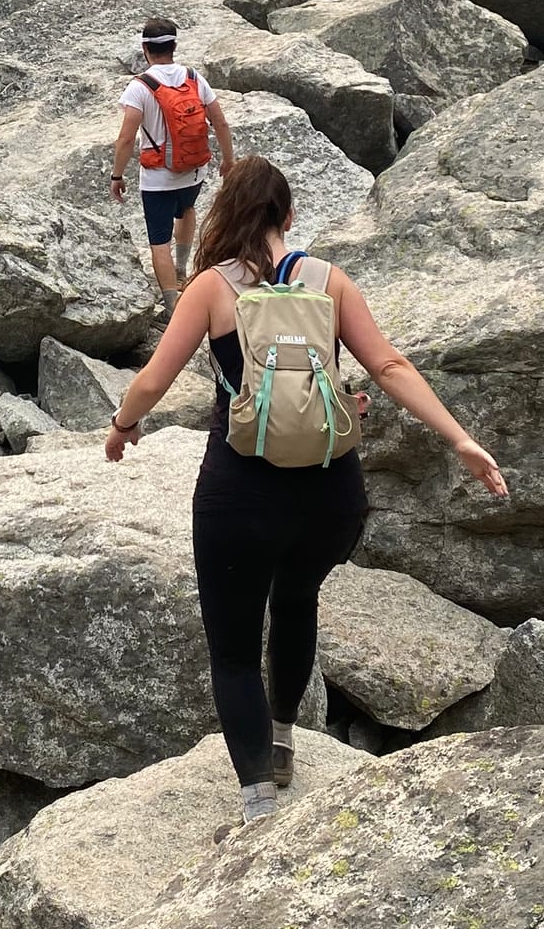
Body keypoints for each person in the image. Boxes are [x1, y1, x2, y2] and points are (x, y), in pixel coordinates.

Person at [104, 155, 507, 828]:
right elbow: (388, 364)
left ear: (226, 216)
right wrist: (459, 439)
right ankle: (286, 735)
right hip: (329, 493)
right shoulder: (329, 281)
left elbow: (152, 380)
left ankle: (260, 804)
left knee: (233, 648)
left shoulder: (209, 288)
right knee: (295, 602)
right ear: (289, 215)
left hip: (240, 493)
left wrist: (122, 426)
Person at [109, 17, 235, 299]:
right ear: (174, 46)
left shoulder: (140, 87)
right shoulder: (193, 78)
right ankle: (182, 271)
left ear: (145, 49)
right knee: (186, 210)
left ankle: (172, 307)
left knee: (159, 242)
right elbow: (221, 122)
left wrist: (117, 175)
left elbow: (127, 138)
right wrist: (228, 160)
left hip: (158, 178)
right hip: (194, 171)